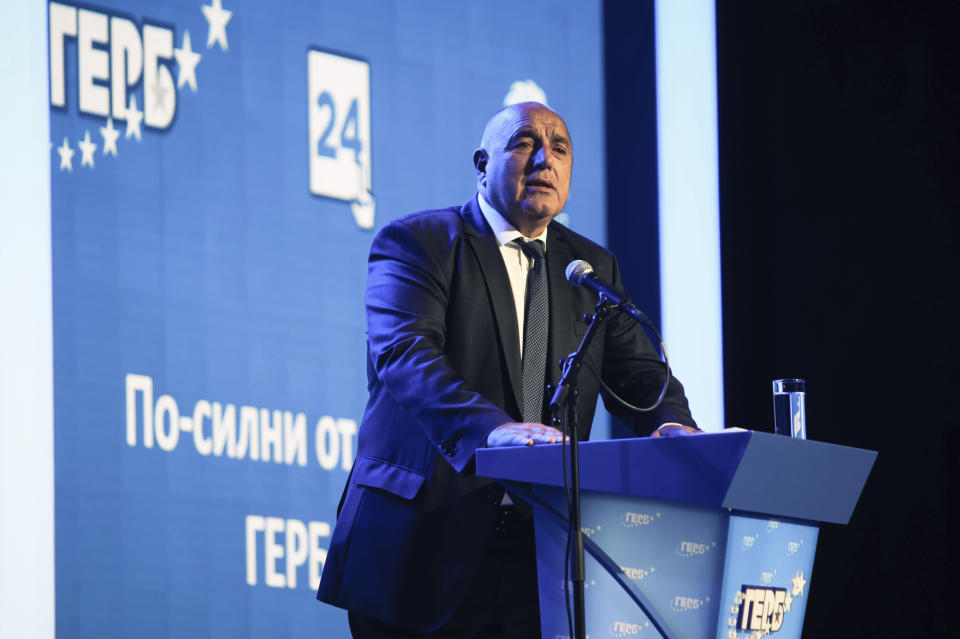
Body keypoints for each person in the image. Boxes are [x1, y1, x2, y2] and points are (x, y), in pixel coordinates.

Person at [316, 102, 698, 638]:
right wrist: (496, 433)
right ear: (481, 164)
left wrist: (672, 427)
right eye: (524, 144)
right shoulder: (419, 243)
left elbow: (640, 374)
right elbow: (406, 355)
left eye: (560, 148)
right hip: (419, 545)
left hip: (539, 552)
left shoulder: (589, 268)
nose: (545, 158)